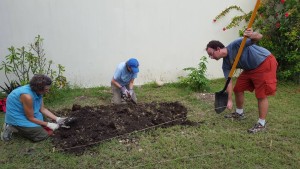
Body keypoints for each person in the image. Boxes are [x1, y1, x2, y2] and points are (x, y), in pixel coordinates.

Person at [206, 28, 278, 133]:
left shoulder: (236, 44)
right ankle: (239, 113)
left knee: (261, 94)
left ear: (218, 49)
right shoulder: (226, 64)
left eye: (211, 54)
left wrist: (251, 35)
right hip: (250, 69)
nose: (211, 57)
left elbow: (259, 37)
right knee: (238, 88)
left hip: (264, 62)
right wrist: (229, 99)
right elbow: (229, 82)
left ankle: (261, 123)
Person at [1, 74, 66, 142]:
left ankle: (25, 128)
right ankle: (11, 127)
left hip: (29, 112)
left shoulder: (38, 91)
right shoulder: (27, 96)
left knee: (48, 127)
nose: (48, 91)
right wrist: (48, 124)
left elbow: (42, 109)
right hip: (18, 117)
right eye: (46, 89)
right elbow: (30, 118)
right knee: (43, 135)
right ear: (39, 88)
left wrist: (57, 119)